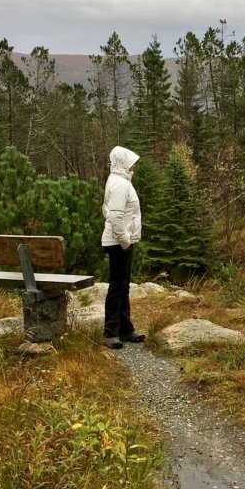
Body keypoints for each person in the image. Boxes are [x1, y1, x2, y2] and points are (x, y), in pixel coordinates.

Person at [101, 145, 145, 350]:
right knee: (117, 286)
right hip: (119, 242)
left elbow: (106, 209)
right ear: (124, 163)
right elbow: (115, 216)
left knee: (123, 285)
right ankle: (110, 332)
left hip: (121, 240)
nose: (134, 166)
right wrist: (125, 240)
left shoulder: (118, 181)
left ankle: (125, 329)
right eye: (132, 162)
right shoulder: (120, 184)